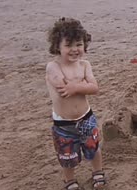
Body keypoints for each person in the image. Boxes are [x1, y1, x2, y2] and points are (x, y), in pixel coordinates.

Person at [45, 18, 106, 190]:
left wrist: (77, 86)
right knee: (67, 155)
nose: (74, 49)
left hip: (86, 117)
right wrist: (79, 86)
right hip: (63, 123)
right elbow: (64, 89)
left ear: (85, 45)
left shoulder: (85, 65)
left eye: (79, 44)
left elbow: (94, 87)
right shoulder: (53, 66)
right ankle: (69, 180)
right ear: (58, 46)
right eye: (68, 45)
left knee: (93, 148)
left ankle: (98, 172)